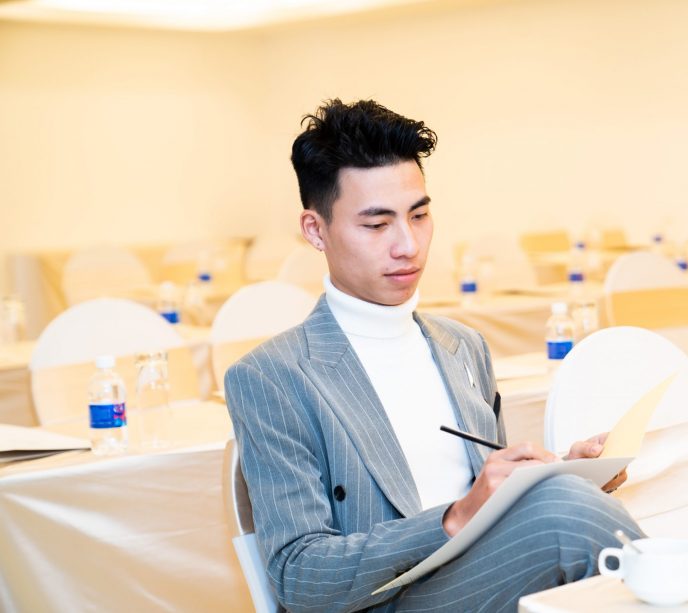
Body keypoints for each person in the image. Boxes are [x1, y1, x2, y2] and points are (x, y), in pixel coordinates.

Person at [224, 99, 643, 612]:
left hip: (479, 582)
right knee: (568, 517)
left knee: (568, 505)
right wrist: (455, 517)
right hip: (383, 602)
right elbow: (300, 578)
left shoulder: (462, 346)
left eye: (419, 215)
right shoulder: (272, 377)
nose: (408, 245)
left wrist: (554, 478)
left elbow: (493, 499)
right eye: (376, 225)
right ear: (315, 230)